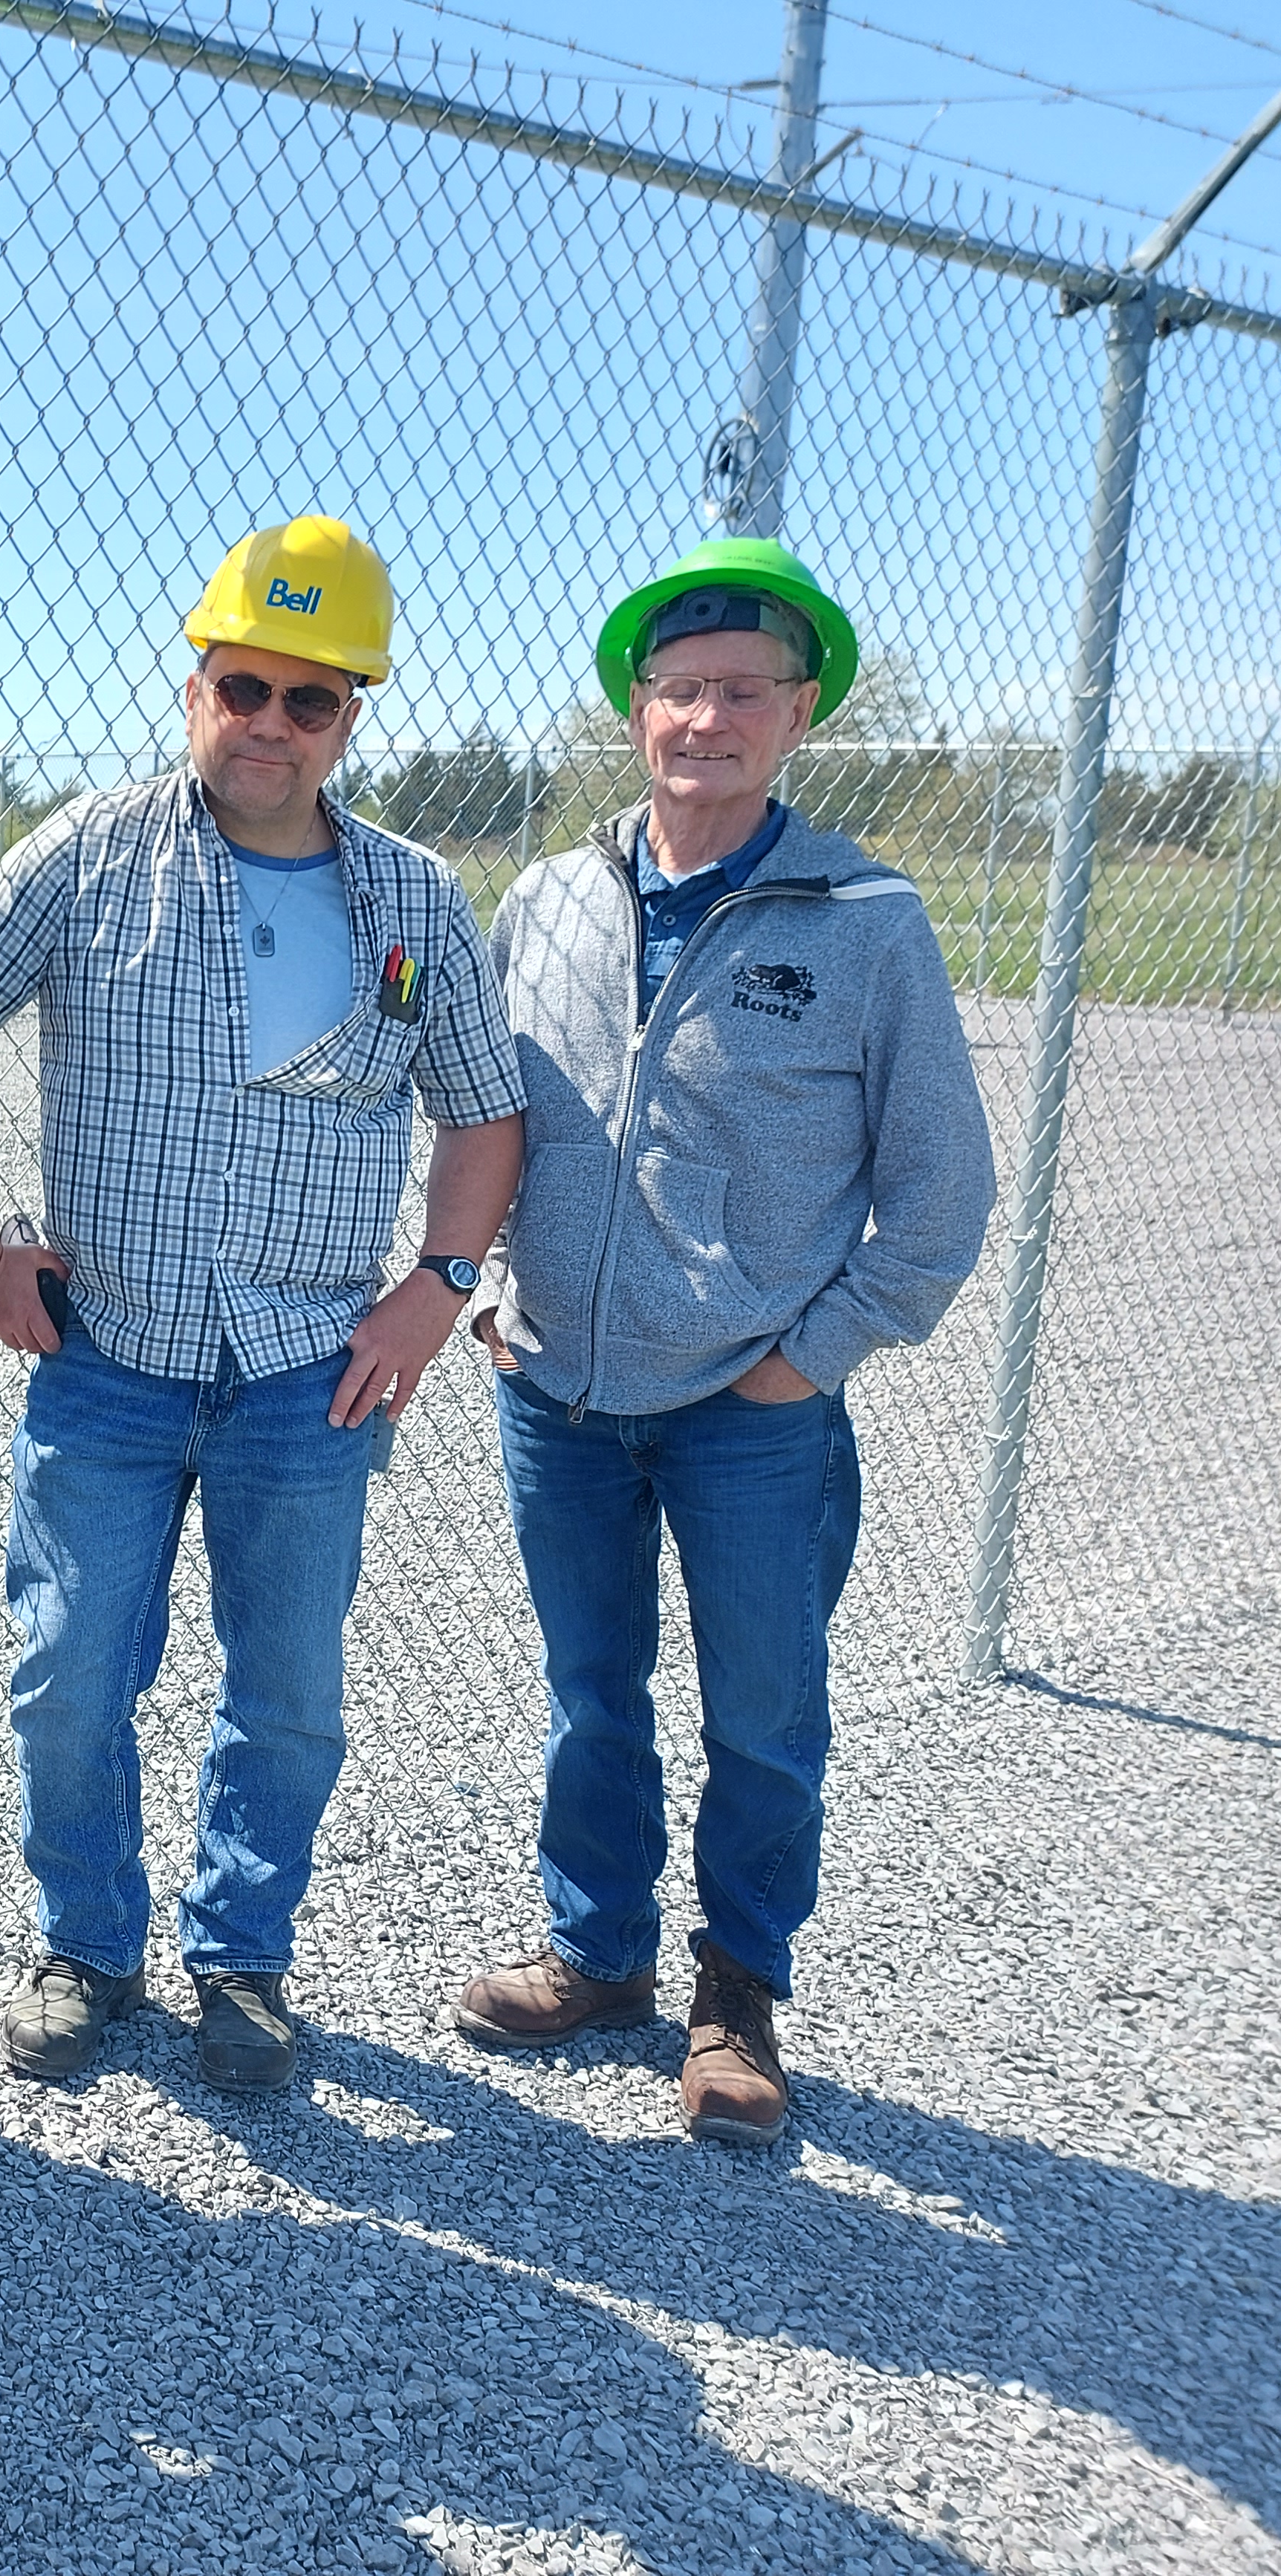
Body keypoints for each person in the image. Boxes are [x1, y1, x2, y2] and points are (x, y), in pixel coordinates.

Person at [0, 515, 528, 2094]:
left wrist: (439, 1284)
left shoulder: (412, 902)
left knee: (285, 1692)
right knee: (67, 1678)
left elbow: (480, 1112)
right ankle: (83, 1943)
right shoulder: (84, 855)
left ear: (350, 716)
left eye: (306, 699)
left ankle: (242, 1959)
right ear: (190, 684)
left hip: (307, 1370)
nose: (266, 723)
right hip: (108, 1352)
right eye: (240, 686)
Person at [451, 538, 995, 2149]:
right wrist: (478, 1283)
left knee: (761, 1709)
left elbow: (940, 1192)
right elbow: (482, 1110)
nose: (704, 719)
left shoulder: (860, 920)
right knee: (586, 1688)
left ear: (795, 713)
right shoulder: (547, 896)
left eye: (738, 693)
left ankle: (735, 1994)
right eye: (677, 691)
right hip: (554, 1384)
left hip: (748, 1408)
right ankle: (598, 1954)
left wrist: (808, 1357)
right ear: (635, 711)